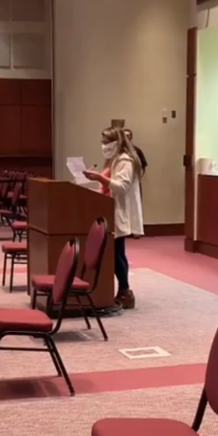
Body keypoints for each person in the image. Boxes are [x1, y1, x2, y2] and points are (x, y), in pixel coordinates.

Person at [83, 127, 144, 310]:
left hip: (118, 213)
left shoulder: (126, 160)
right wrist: (92, 187)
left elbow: (121, 187)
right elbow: (108, 190)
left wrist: (99, 179)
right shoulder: (114, 160)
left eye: (107, 142)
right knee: (116, 253)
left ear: (117, 142)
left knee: (117, 254)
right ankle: (124, 291)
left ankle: (125, 291)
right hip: (110, 209)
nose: (104, 146)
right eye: (102, 142)